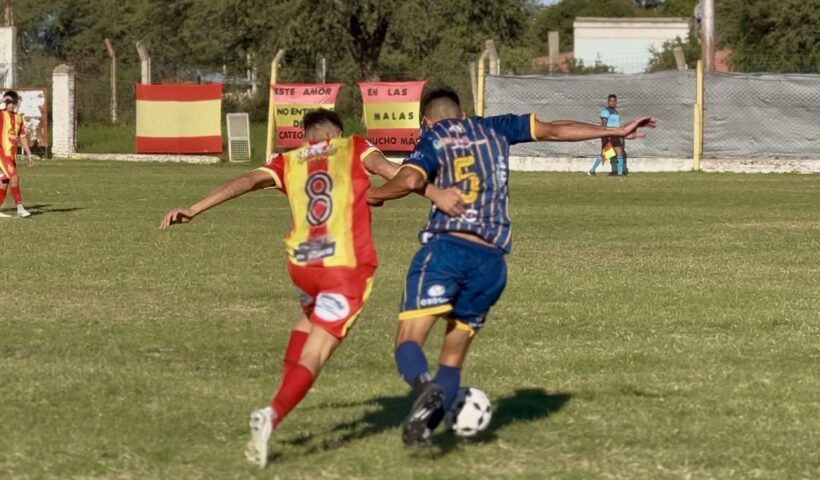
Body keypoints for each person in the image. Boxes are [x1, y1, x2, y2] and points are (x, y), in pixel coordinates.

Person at [159, 109, 462, 467]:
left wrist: (194, 208)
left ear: (306, 138)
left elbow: (245, 181)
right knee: (316, 353)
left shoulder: (288, 160)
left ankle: (282, 399)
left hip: (303, 267)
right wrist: (435, 192)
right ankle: (271, 415)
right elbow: (394, 173)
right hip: (343, 269)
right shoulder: (353, 147)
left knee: (308, 321)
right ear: (337, 135)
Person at [366, 87, 655, 445]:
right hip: (491, 262)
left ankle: (426, 388)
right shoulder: (495, 127)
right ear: (463, 112)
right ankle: (424, 429)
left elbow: (409, 180)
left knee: (408, 341)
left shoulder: (435, 136)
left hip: (448, 249)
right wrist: (615, 131)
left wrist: (371, 195)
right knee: (452, 358)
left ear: (427, 120)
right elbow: (554, 130)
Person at [0, 90, 34, 218]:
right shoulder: (1, 114)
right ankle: (20, 208)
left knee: (4, 182)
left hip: (12, 155)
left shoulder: (19, 118)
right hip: (2, 152)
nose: (11, 105)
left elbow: (22, 137)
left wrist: (29, 154)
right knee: (14, 177)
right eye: (9, 102)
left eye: (13, 103)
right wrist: (1, 101)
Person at [588, 94, 627, 176]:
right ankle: (592, 170)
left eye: (614, 101)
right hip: (608, 135)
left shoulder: (616, 112)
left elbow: (616, 125)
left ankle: (620, 173)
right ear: (608, 102)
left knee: (620, 152)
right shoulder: (605, 112)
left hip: (615, 135)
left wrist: (620, 136)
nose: (613, 102)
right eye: (611, 101)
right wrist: (607, 136)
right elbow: (604, 125)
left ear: (616, 102)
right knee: (605, 154)